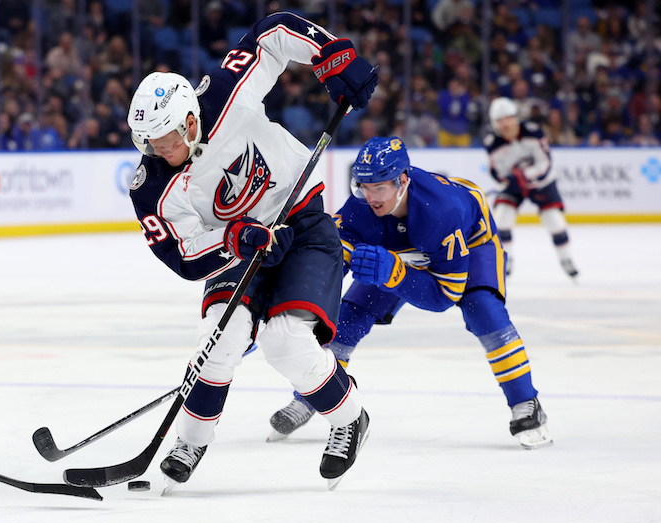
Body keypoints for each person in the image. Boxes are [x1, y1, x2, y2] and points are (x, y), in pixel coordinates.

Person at [126, 12, 378, 491]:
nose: (157, 151)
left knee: (285, 341)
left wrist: (331, 56)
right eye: (149, 143)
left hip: (302, 227)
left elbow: (275, 32)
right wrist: (232, 240)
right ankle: (191, 440)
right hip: (241, 249)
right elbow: (183, 256)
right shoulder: (151, 188)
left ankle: (349, 417)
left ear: (190, 120)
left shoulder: (223, 95)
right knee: (215, 343)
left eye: (165, 140)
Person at [267, 136, 553, 451]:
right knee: (349, 317)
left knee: (484, 311)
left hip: (470, 243)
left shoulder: (443, 211)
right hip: (401, 248)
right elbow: (331, 256)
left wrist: (393, 272)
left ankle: (526, 402)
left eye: (378, 188)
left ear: (402, 181)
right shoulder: (361, 204)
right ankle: (315, 394)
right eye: (362, 185)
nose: (369, 196)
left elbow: (444, 296)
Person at [484, 97, 578, 278]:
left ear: (515, 117)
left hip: (542, 183)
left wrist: (524, 175)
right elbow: (495, 170)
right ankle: (506, 261)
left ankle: (566, 259)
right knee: (502, 218)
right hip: (514, 186)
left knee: (554, 221)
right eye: (500, 120)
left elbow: (545, 163)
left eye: (508, 118)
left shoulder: (533, 133)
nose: (505, 124)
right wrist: (506, 178)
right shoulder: (492, 142)